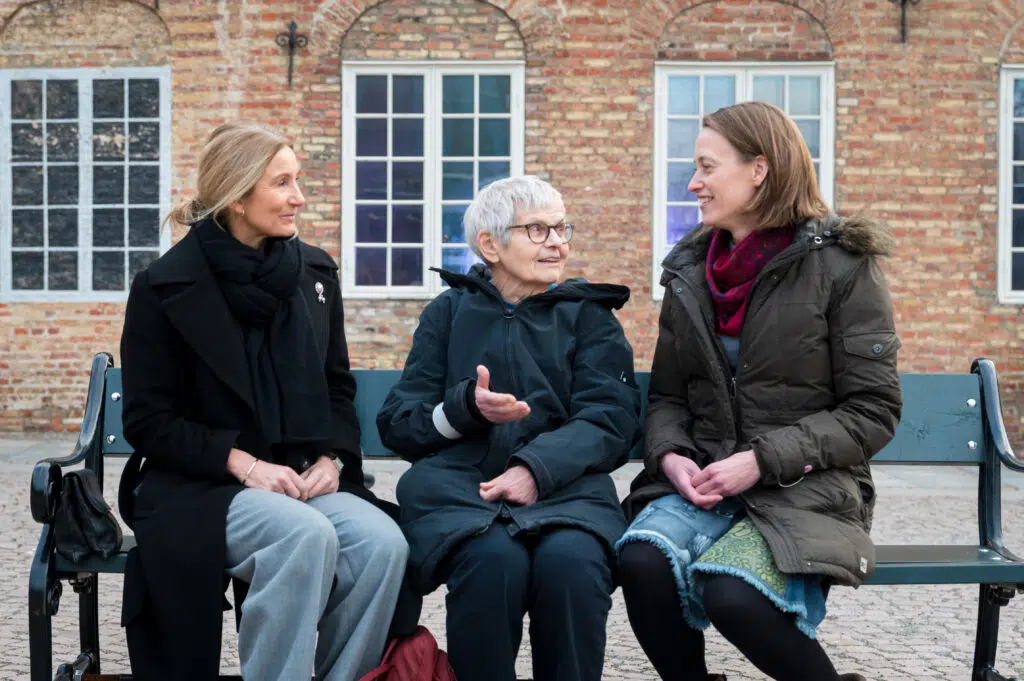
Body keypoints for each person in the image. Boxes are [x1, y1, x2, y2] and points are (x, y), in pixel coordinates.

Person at [617, 101, 901, 681]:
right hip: (707, 485)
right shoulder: (690, 275)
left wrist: (761, 461)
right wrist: (670, 456)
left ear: (759, 169)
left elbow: (873, 411)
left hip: (807, 487)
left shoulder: (844, 266)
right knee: (641, 562)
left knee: (731, 593)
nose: (693, 183)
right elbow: (669, 396)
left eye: (706, 166)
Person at [116, 120, 409, 681]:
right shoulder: (163, 287)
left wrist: (335, 459)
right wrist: (245, 465)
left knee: (380, 544)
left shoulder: (314, 275)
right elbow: (149, 421)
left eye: (297, 180)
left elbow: (337, 388)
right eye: (282, 183)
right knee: (303, 534)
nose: (299, 196)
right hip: (202, 487)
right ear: (237, 195)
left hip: (301, 476)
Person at [376, 175, 641, 681]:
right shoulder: (448, 313)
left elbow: (611, 416)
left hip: (567, 492)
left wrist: (536, 469)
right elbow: (399, 421)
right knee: (492, 562)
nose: (558, 242)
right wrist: (462, 411)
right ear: (490, 245)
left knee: (572, 566)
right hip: (463, 491)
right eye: (538, 229)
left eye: (562, 228)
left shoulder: (589, 317)